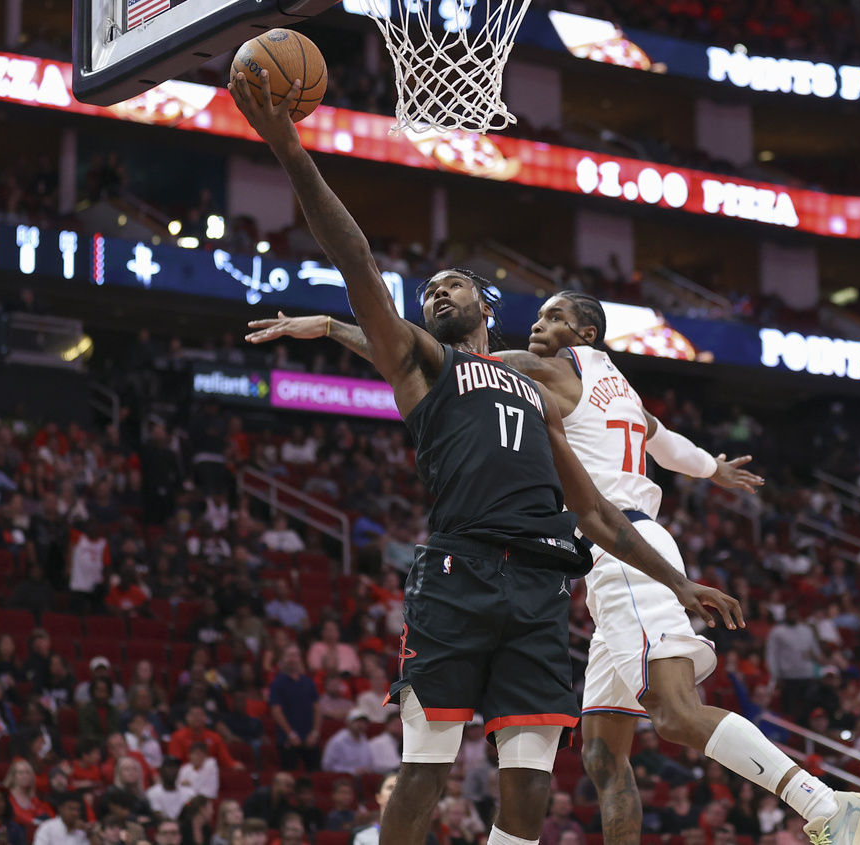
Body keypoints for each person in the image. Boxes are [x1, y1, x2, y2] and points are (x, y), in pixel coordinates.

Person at [235, 71, 739, 845]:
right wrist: (288, 145)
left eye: (453, 283)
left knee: (530, 795)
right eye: (429, 288)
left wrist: (678, 580)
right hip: (458, 574)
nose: (437, 290)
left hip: (539, 587)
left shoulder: (535, 391)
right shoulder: (425, 368)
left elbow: (597, 511)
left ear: (485, 306)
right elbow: (358, 261)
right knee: (426, 772)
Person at [284, 292, 860, 845]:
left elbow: (432, 360)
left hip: (623, 553)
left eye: (551, 317)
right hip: (613, 562)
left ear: (585, 331)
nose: (537, 325)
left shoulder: (552, 369)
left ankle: (824, 804)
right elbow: (668, 444)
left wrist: (337, 327)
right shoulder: (624, 392)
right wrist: (713, 470)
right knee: (601, 750)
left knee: (675, 713)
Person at [268, 645, 322, 771]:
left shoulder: (308, 682)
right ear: (283, 659)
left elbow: (317, 708)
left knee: (315, 774)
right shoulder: (277, 683)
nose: (293, 659)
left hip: (310, 738)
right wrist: (290, 734)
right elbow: (276, 710)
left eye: (296, 655)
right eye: (289, 655)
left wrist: (315, 733)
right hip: (288, 740)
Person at [323, 709, 375, 775]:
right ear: (348, 723)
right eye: (357, 721)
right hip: (341, 779)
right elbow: (327, 766)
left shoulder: (365, 740)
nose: (360, 725)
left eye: (363, 722)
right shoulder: (337, 741)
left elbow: (369, 763)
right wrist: (351, 771)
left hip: (362, 779)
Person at [146, 756, 195, 821]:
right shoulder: (152, 792)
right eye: (169, 767)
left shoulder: (189, 792)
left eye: (175, 767)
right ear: (161, 770)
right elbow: (157, 814)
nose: (173, 770)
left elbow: (190, 812)